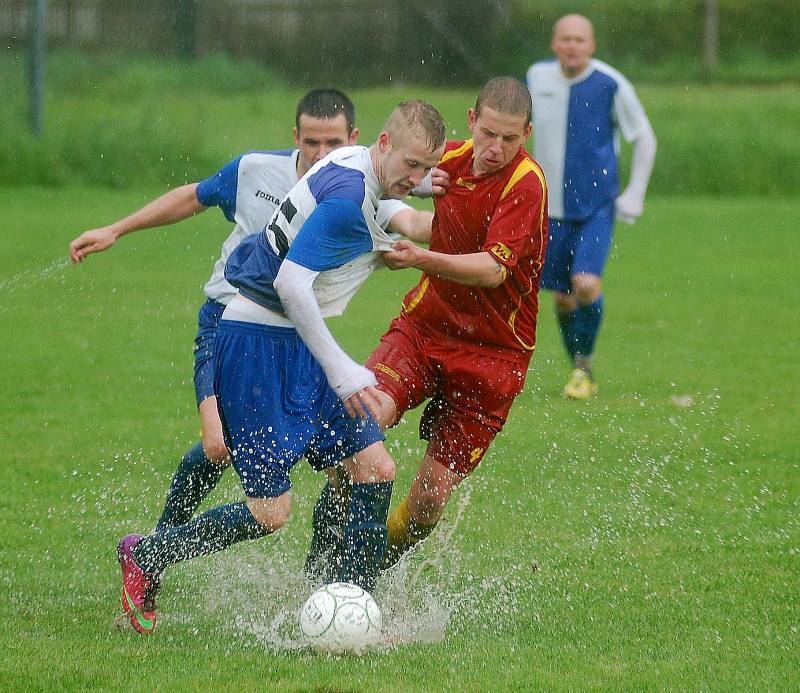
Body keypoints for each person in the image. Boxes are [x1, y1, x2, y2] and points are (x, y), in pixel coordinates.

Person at [114, 100, 447, 634]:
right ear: (383, 145)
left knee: (375, 468)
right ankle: (146, 555)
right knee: (271, 513)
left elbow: (401, 213)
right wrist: (341, 369)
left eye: (424, 167)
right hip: (256, 345)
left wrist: (424, 185)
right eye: (411, 164)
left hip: (293, 340)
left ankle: (355, 603)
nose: (416, 175)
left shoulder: (355, 162)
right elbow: (292, 283)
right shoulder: (346, 198)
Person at [305, 77, 549, 575]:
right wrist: (419, 183)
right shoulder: (448, 159)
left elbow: (492, 269)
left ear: (526, 133)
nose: (496, 148)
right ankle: (327, 566)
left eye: (510, 138)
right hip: (425, 330)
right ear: (471, 120)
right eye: (488, 134)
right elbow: (389, 171)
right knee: (359, 426)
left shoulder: (526, 184)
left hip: (493, 357)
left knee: (427, 504)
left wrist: (423, 258)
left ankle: (363, 568)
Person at [526, 14, 656, 399]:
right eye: (565, 39)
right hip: (551, 208)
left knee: (585, 284)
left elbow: (644, 138)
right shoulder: (535, 78)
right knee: (563, 297)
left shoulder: (610, 84)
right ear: (554, 44)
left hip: (597, 205)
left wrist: (634, 193)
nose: (572, 46)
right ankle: (580, 369)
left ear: (592, 45)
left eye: (579, 40)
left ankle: (584, 366)